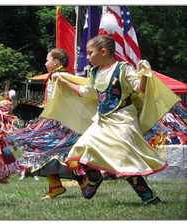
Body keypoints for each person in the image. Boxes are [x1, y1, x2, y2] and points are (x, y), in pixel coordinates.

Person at [53, 35, 179, 204]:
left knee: (124, 157)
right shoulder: (94, 72)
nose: (88, 57)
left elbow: (139, 89)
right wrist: (63, 81)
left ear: (103, 51)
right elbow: (87, 92)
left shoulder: (123, 69)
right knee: (82, 147)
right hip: (103, 120)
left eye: (90, 53)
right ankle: (95, 177)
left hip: (124, 118)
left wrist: (144, 74)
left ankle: (148, 196)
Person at [5, 48, 83, 199]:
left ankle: (82, 180)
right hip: (52, 121)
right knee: (44, 150)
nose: (45, 62)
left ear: (56, 62)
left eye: (48, 60)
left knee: (51, 151)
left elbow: (67, 99)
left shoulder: (61, 76)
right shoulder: (55, 76)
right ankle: (58, 185)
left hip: (59, 123)